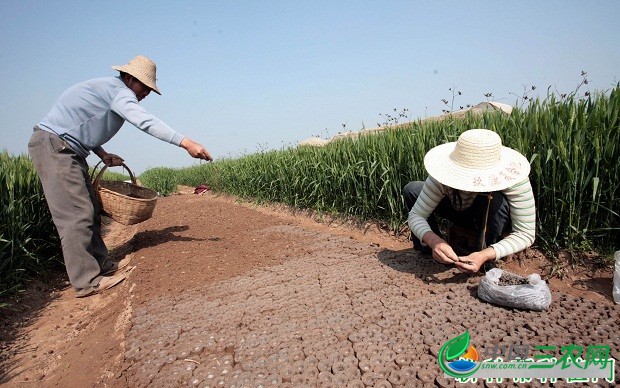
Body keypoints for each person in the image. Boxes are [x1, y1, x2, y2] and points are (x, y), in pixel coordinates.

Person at [28, 55, 213, 297]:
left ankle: (103, 266)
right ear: (128, 78)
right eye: (144, 86)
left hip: (67, 148)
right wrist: (186, 142)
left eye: (149, 88)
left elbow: (79, 126)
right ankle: (88, 281)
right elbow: (144, 121)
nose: (146, 92)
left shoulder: (107, 89)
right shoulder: (119, 92)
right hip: (55, 149)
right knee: (76, 215)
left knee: (91, 209)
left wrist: (102, 154)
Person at [403, 128, 535, 273]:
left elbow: (525, 233)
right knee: (413, 189)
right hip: (458, 210)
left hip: (492, 218)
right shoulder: (442, 174)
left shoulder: (514, 178)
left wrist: (485, 255)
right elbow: (416, 215)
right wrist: (433, 241)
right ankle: (436, 252)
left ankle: (482, 256)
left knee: (497, 200)